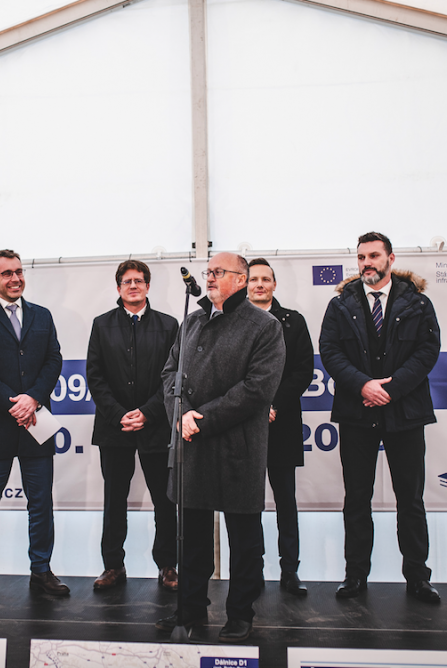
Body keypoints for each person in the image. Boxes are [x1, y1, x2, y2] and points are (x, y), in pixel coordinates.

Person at [157, 252, 285, 643]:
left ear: (241, 279)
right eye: (208, 271)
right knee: (192, 538)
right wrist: (180, 414)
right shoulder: (192, 321)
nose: (210, 277)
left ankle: (241, 613)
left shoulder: (264, 326)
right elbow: (169, 373)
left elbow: (257, 388)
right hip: (191, 445)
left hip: (236, 446)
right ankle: (191, 608)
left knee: (244, 540)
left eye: (219, 272)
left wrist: (202, 418)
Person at [318, 232, 442, 603]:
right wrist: (363, 386)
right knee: (357, 498)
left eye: (373, 255)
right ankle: (355, 576)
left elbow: (428, 350)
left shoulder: (417, 302)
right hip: (357, 413)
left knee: (411, 499)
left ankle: (418, 578)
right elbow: (329, 351)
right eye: (361, 257)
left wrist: (391, 389)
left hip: (406, 411)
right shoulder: (341, 304)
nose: (366, 263)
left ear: (390, 258)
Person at [0, 249, 67, 604]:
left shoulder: (42, 315)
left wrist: (33, 398)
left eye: (19, 271)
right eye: (6, 273)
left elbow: (54, 360)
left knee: (41, 504)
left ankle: (42, 570)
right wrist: (15, 403)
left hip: (37, 421)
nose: (15, 278)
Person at [86, 260, 179, 592]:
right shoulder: (101, 325)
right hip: (115, 428)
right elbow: (95, 376)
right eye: (127, 281)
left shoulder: (169, 325)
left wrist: (148, 412)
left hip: (156, 426)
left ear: (148, 286)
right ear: (118, 288)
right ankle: (113, 565)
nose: (134, 286)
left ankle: (167, 565)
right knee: (114, 501)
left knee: (165, 501)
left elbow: (173, 377)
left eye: (139, 281)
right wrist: (118, 415)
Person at [246, 258, 313, 595]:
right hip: (244, 425)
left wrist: (273, 405)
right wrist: (254, 408)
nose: (259, 284)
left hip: (282, 422)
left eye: (265, 279)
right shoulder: (233, 322)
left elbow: (303, 370)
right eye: (253, 279)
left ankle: (290, 571)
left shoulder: (294, 321)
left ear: (274, 284)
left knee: (286, 500)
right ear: (245, 285)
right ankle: (252, 571)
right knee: (249, 503)